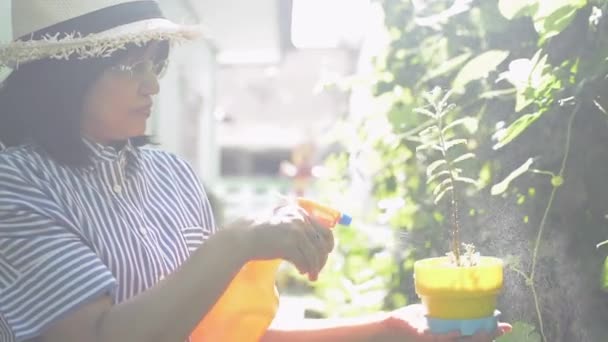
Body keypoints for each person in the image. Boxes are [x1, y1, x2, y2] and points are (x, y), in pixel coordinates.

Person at [0, 1, 511, 341]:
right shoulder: (17, 186)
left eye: (155, 64)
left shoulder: (169, 175)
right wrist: (237, 242)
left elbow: (225, 333)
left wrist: (391, 328)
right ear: (60, 76)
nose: (151, 85)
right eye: (127, 65)